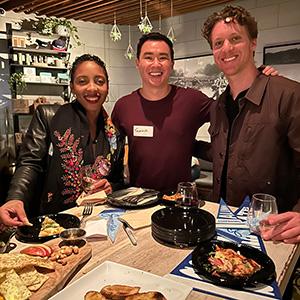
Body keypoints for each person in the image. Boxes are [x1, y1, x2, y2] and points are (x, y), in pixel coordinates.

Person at [201, 5, 300, 243]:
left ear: (253, 42)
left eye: (235, 39)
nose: (227, 49)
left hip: (274, 235)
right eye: (218, 43)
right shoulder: (218, 106)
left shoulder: (289, 95)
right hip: (222, 231)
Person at [0, 54, 124, 227]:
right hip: (55, 220)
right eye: (82, 81)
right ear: (72, 87)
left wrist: (110, 186)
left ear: (107, 86)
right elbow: (30, 163)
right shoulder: (49, 117)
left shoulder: (114, 134)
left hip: (98, 220)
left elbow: (119, 179)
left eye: (99, 81)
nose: (92, 88)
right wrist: (15, 197)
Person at [112, 32, 212, 192]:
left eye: (163, 57)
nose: (156, 64)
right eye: (148, 57)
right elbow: (111, 152)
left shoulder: (192, 100)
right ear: (137, 63)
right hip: (137, 202)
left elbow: (229, 113)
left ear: (172, 64)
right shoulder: (123, 106)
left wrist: (258, 79)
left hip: (179, 202)